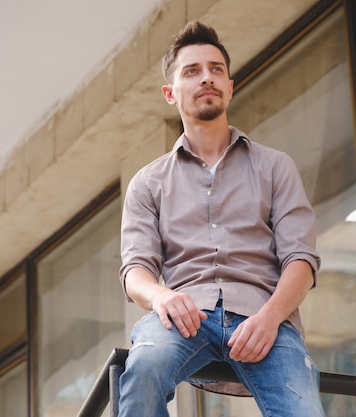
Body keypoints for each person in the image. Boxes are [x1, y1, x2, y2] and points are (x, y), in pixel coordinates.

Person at [117, 20, 325, 417]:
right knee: (141, 368)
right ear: (170, 94)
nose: (206, 79)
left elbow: (301, 260)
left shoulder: (276, 167)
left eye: (216, 70)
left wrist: (269, 319)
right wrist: (163, 297)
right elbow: (135, 271)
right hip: (184, 320)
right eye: (191, 71)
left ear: (230, 86)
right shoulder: (148, 183)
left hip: (266, 319)